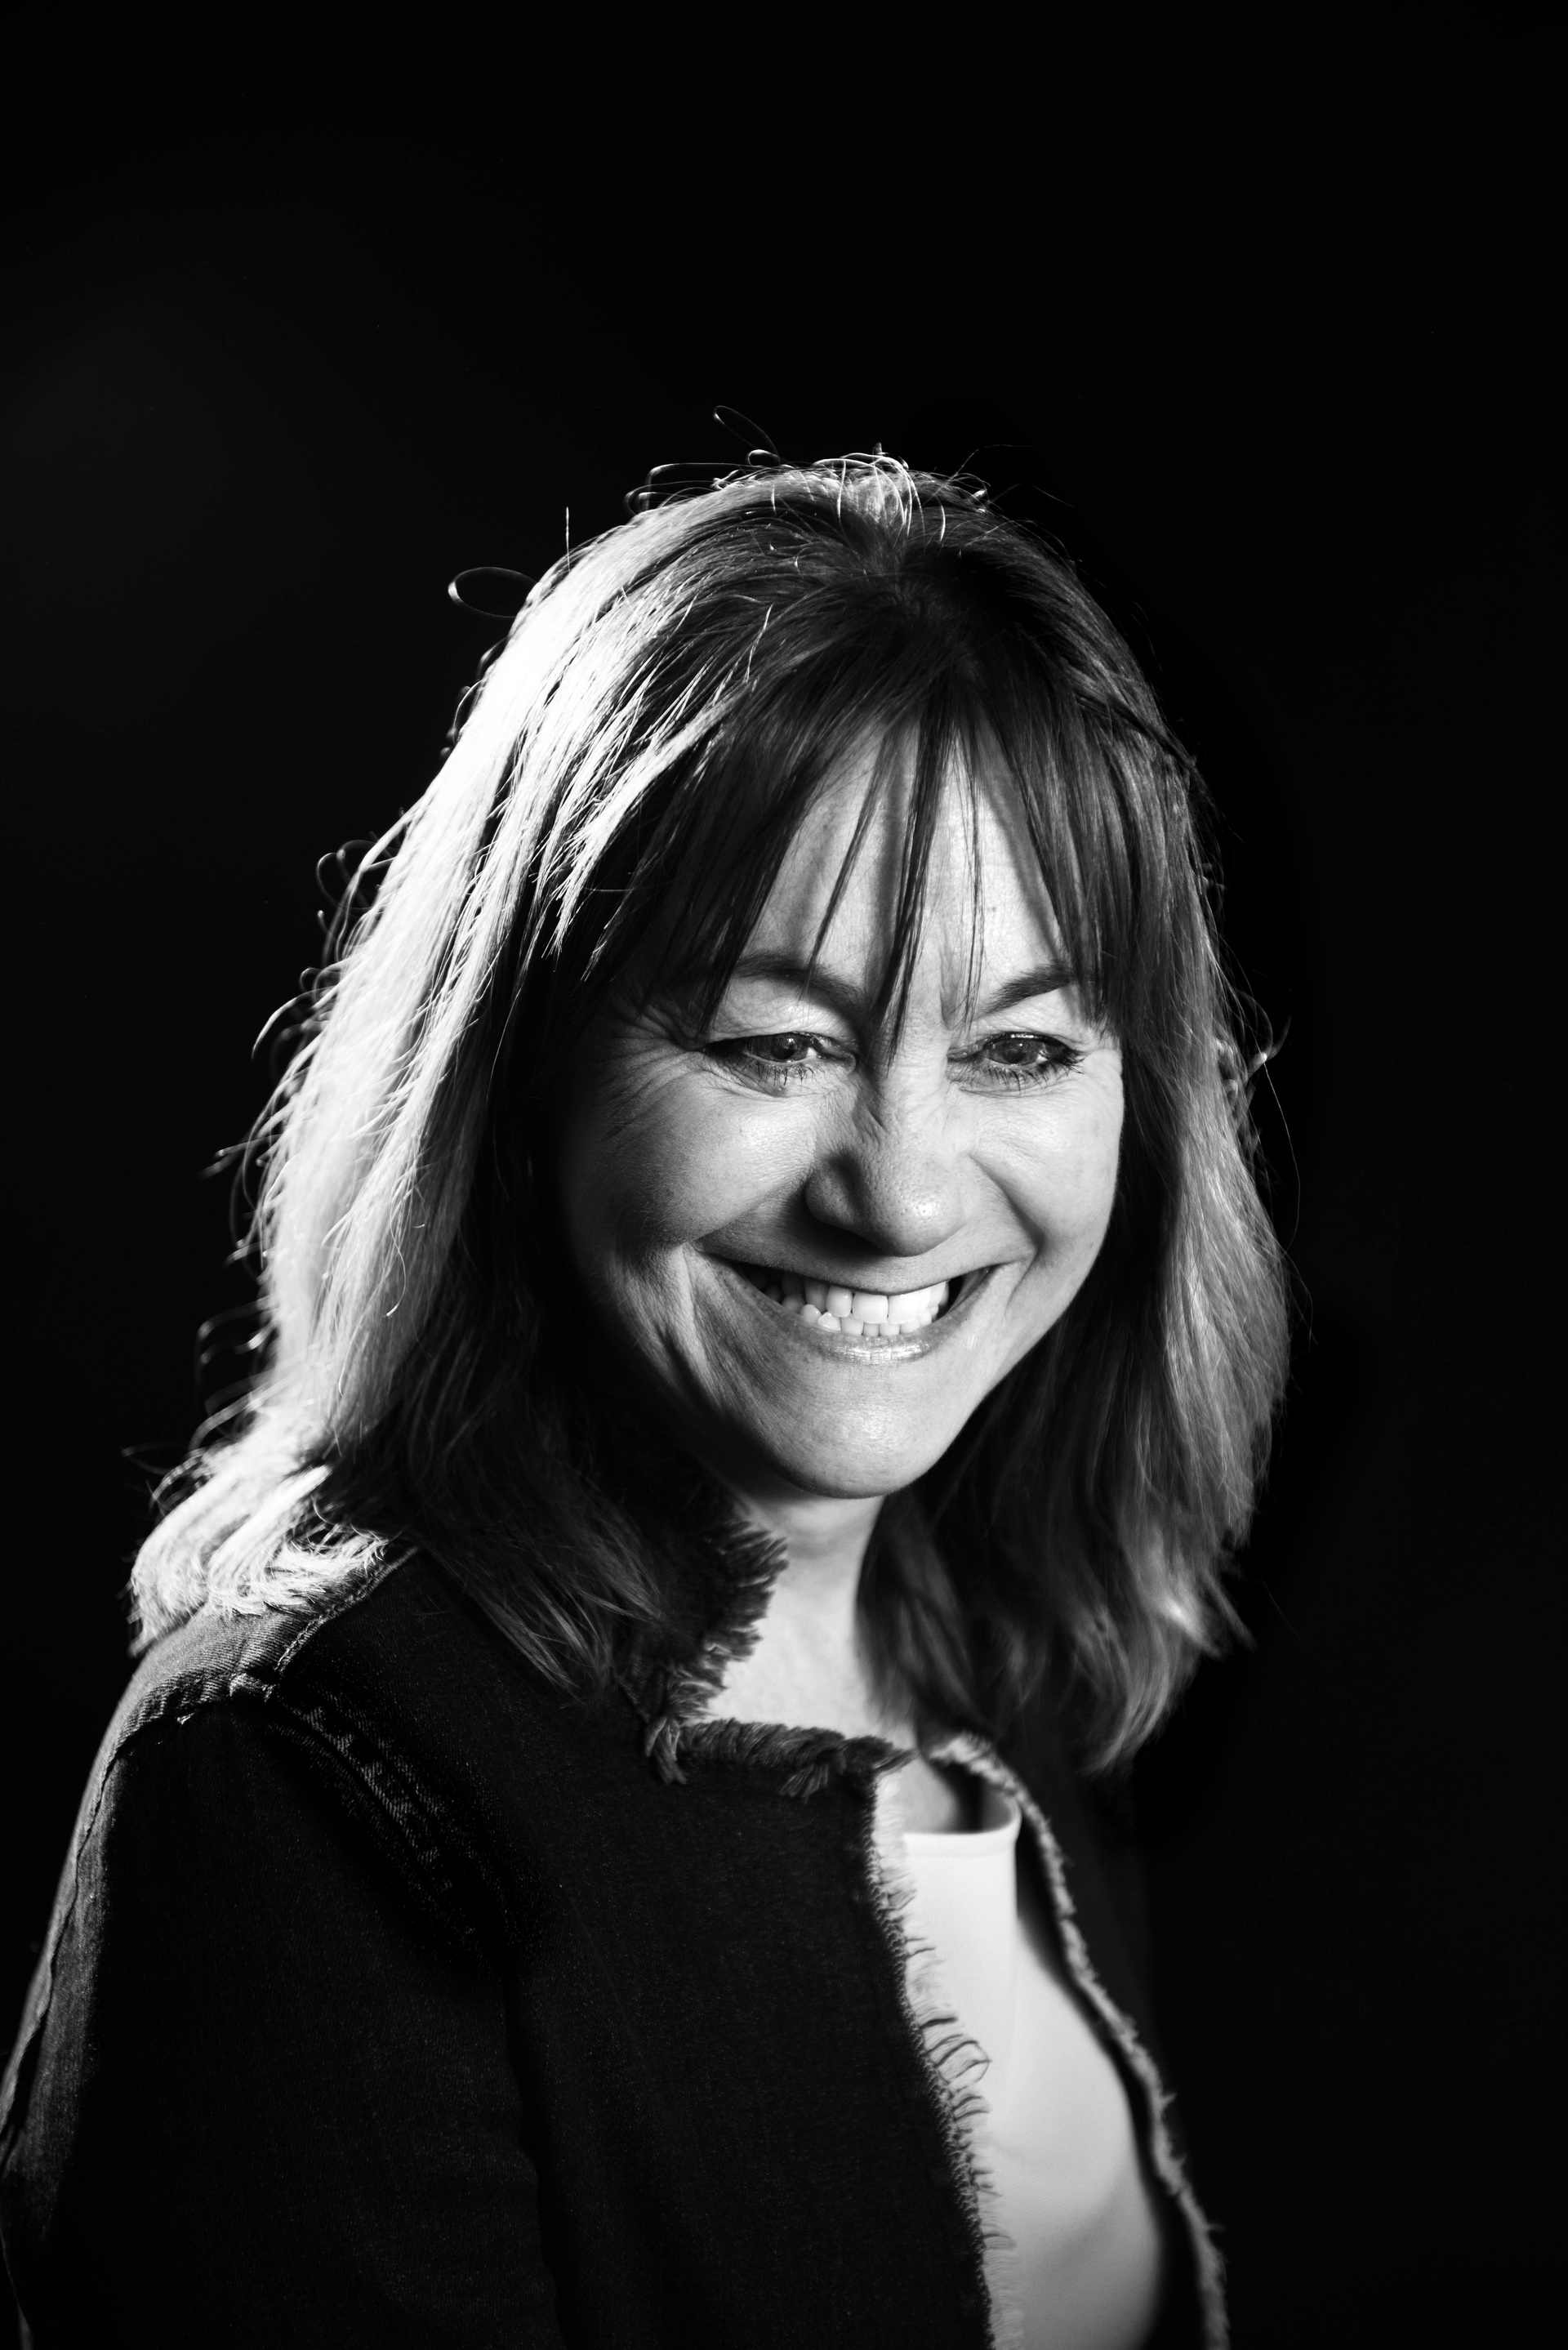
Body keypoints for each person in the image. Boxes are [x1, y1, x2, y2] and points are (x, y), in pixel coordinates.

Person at [0, 453, 1288, 2348]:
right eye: (776, 1041)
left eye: (1018, 1046)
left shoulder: (992, 1661)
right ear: (523, 1073)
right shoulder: (300, 1782)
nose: (903, 1194)